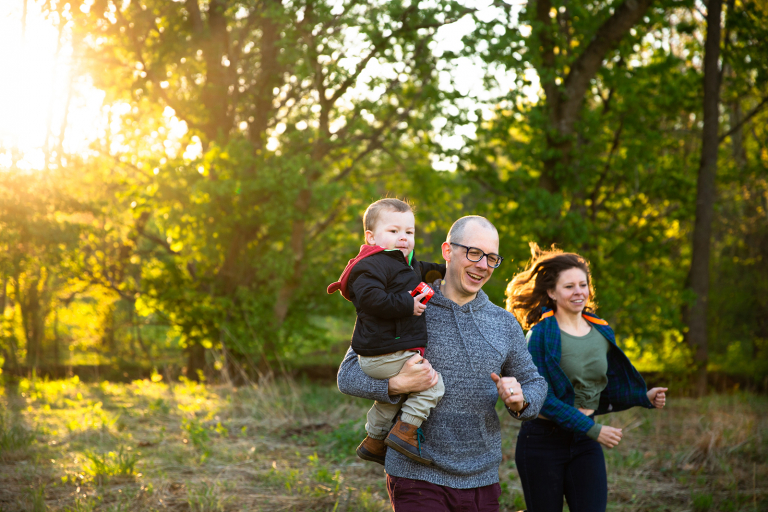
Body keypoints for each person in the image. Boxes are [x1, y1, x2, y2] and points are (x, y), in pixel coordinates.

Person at [337, 215, 548, 512]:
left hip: (482, 479)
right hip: (415, 476)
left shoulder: (503, 323)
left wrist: (522, 400)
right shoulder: (404, 303)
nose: (482, 265)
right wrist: (396, 385)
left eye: (491, 258)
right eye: (473, 253)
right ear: (447, 251)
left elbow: (535, 382)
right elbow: (347, 375)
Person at [506, 243, 668, 512]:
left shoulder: (602, 332)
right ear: (551, 292)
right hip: (543, 442)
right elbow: (541, 398)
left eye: (583, 284)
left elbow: (602, 387)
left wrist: (645, 396)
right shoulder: (541, 335)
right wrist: (594, 429)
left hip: (584, 444)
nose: (579, 292)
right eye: (569, 286)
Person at [327, 198, 447, 466]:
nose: (403, 238)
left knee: (392, 399)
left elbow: (428, 270)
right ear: (371, 237)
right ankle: (404, 433)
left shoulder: (407, 263)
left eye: (409, 232)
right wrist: (408, 303)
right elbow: (370, 299)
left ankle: (374, 441)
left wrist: (449, 271)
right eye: (394, 231)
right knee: (431, 383)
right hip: (380, 352)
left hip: (386, 351)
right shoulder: (370, 265)